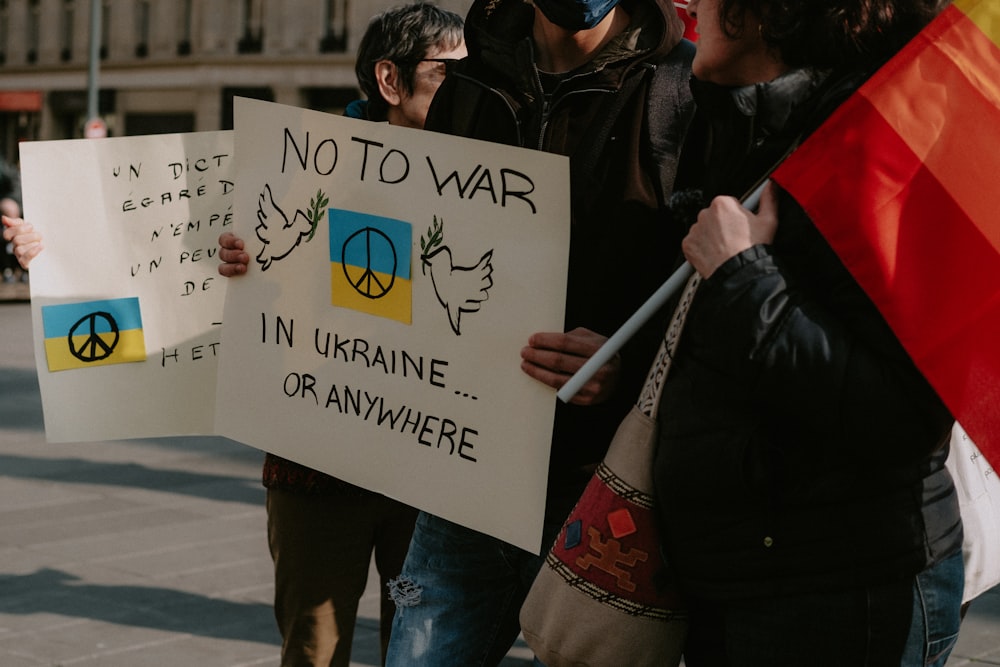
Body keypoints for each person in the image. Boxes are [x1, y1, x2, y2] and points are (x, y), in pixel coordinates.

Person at [10, 4, 465, 666]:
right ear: (391, 81)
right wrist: (50, 249)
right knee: (315, 646)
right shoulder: (289, 169)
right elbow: (164, 255)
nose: (471, 88)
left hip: (432, 476)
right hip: (319, 470)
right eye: (451, 71)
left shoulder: (490, 182)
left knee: (426, 648)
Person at [375, 0, 696, 665]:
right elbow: (405, 244)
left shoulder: (681, 89)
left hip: (601, 477)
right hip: (468, 468)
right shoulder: (466, 89)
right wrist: (274, 263)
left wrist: (624, 364)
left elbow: (706, 276)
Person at [651, 0, 964, 665]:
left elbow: (903, 411)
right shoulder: (773, 123)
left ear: (764, 12)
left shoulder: (877, 146)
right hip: (752, 574)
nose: (689, 5)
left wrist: (743, 277)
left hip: (830, 592)